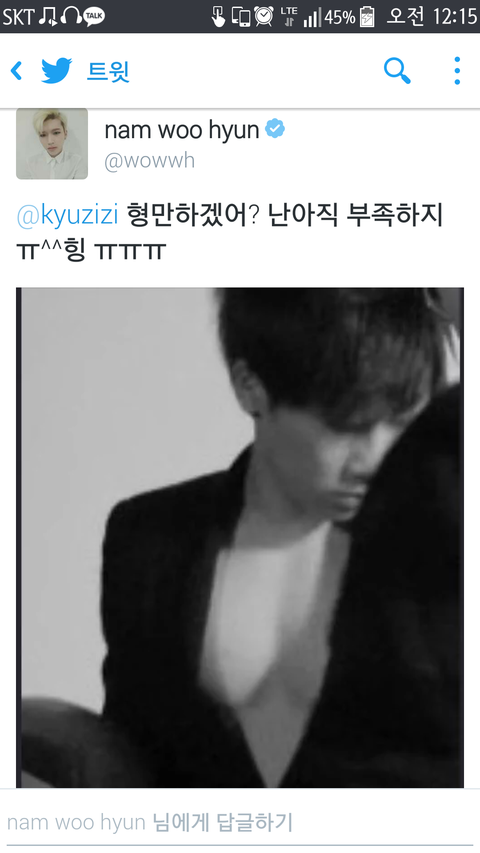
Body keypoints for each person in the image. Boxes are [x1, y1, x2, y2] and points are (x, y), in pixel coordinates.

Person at [101, 288, 460, 788]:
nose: (375, 459)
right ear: (250, 386)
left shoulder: (443, 536)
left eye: (402, 422)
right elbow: (128, 754)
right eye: (346, 425)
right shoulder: (149, 538)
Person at [26, 109, 87, 180]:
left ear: (65, 134)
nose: (50, 141)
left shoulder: (77, 163)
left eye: (56, 133)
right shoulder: (30, 164)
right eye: (43, 135)